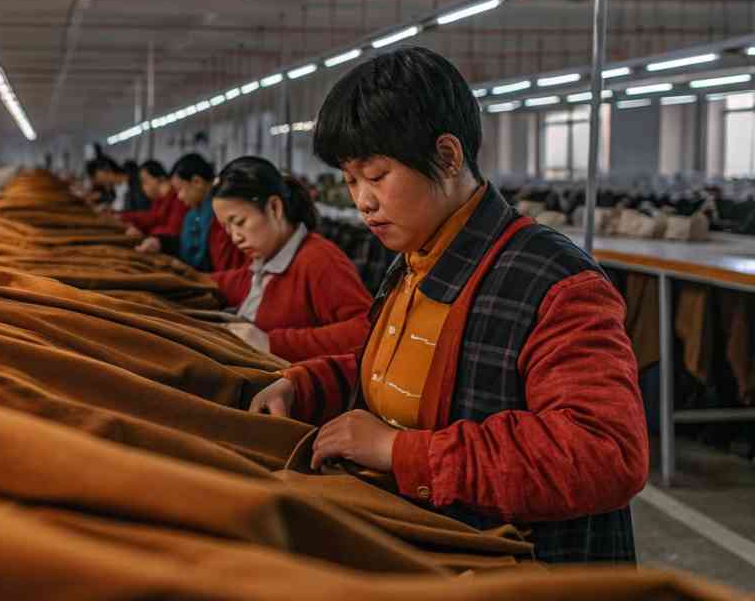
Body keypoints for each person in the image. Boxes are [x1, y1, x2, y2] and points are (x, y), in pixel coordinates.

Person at [249, 47, 647, 564]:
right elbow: (409, 368)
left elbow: (604, 453)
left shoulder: (556, 282)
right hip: (433, 549)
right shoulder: (417, 256)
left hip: (522, 572)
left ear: (448, 156)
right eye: (351, 181)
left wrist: (399, 451)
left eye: (376, 175)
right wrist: (308, 385)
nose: (362, 201)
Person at [209, 156, 372, 362]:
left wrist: (273, 343)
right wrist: (190, 279)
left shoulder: (319, 260)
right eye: (227, 227)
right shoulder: (268, 256)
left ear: (274, 208)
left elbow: (367, 330)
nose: (235, 237)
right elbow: (240, 280)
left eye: (239, 222)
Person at [137, 153, 246, 272]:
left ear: (197, 182)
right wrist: (160, 242)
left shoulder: (218, 215)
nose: (179, 197)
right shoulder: (194, 214)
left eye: (180, 190)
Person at [121, 160, 187, 240]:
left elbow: (173, 232)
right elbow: (152, 218)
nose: (142, 187)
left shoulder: (178, 198)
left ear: (161, 179)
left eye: (145, 182)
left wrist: (145, 233)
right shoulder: (158, 200)